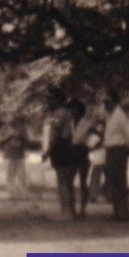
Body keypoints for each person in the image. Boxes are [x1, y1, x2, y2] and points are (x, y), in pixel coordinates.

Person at [43, 87, 79, 220]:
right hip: (66, 145)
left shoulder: (57, 115)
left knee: (63, 180)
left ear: (57, 99)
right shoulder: (66, 113)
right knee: (67, 181)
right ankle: (71, 210)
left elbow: (55, 133)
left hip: (61, 146)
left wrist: (48, 151)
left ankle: (66, 211)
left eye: (51, 98)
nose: (49, 101)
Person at [101, 90, 129, 221]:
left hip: (119, 150)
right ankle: (116, 212)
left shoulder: (120, 116)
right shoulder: (110, 116)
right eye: (105, 102)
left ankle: (123, 212)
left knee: (120, 182)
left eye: (108, 102)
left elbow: (128, 136)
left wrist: (125, 150)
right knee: (113, 182)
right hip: (110, 150)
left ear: (115, 102)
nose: (106, 105)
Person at [69, 98, 99, 219]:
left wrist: (89, 146)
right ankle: (71, 209)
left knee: (83, 182)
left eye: (75, 109)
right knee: (69, 181)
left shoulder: (87, 124)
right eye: (72, 109)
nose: (73, 111)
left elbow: (96, 136)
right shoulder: (69, 123)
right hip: (70, 151)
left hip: (82, 151)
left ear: (80, 111)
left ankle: (82, 209)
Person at [0, 121, 28, 196]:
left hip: (20, 155)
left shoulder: (22, 128)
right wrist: (9, 135)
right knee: (10, 175)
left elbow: (27, 140)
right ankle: (11, 192)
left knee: (21, 175)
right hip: (9, 155)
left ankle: (22, 193)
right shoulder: (3, 128)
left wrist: (21, 138)